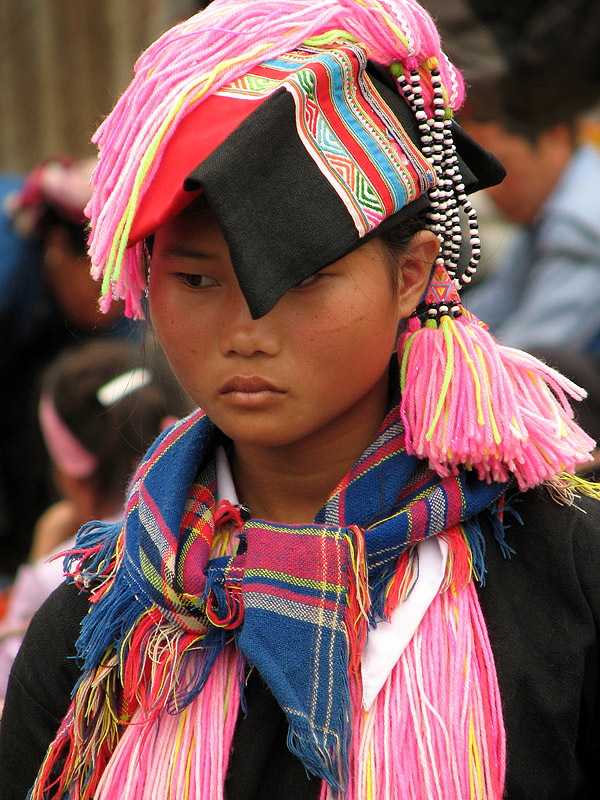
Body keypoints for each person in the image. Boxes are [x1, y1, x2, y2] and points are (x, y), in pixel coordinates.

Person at [0, 1, 599, 798]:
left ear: (412, 273)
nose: (247, 331)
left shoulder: (563, 572)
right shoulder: (99, 623)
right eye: (198, 280)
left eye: (304, 278)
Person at [0, 338, 191, 699]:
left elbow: (11, 698)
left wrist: (41, 557)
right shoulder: (206, 518)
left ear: (70, 471)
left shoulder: (58, 573)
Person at [0, 157, 139, 577]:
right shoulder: (8, 268)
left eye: (132, 279)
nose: (117, 301)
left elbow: (130, 396)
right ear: (58, 248)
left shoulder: (119, 301)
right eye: (104, 281)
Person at [457, 69, 600, 355]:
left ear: (555, 138)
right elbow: (484, 315)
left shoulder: (578, 224)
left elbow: (528, 355)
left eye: (503, 167)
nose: (491, 191)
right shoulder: (545, 216)